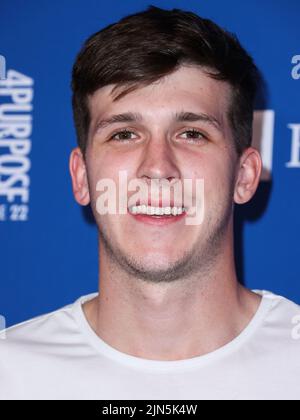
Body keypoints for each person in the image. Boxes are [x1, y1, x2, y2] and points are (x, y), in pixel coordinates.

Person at [0, 5, 299, 401]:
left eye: (191, 133)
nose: (158, 167)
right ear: (81, 176)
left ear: (243, 177)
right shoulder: (10, 374)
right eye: (125, 134)